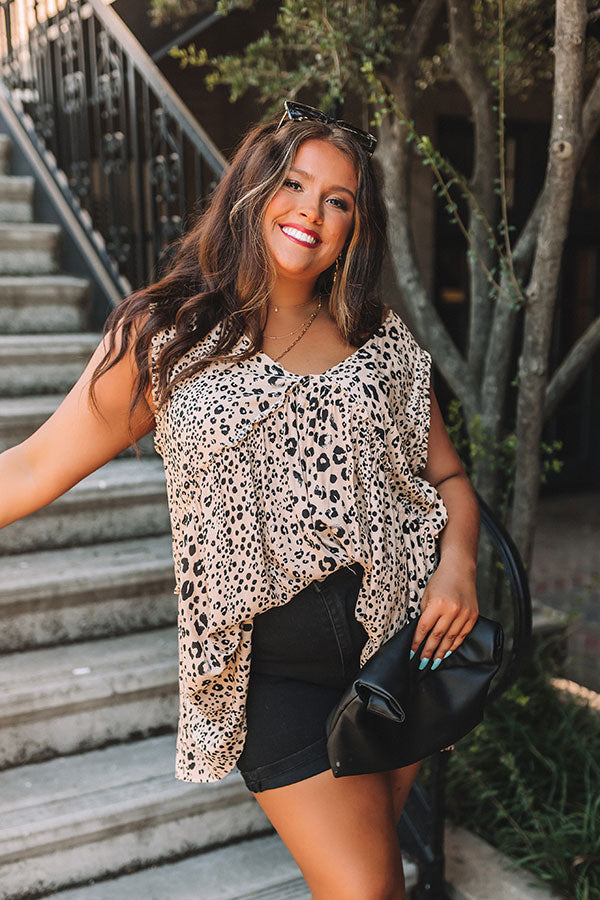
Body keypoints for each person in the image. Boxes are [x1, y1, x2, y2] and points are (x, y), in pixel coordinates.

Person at [0, 101, 479, 900]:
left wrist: (457, 566)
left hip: (397, 651)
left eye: (337, 200)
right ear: (252, 190)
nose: (311, 212)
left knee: (367, 885)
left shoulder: (380, 339)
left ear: (355, 227)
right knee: (368, 890)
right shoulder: (168, 335)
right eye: (293, 184)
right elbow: (32, 467)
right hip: (271, 675)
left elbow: (450, 480)